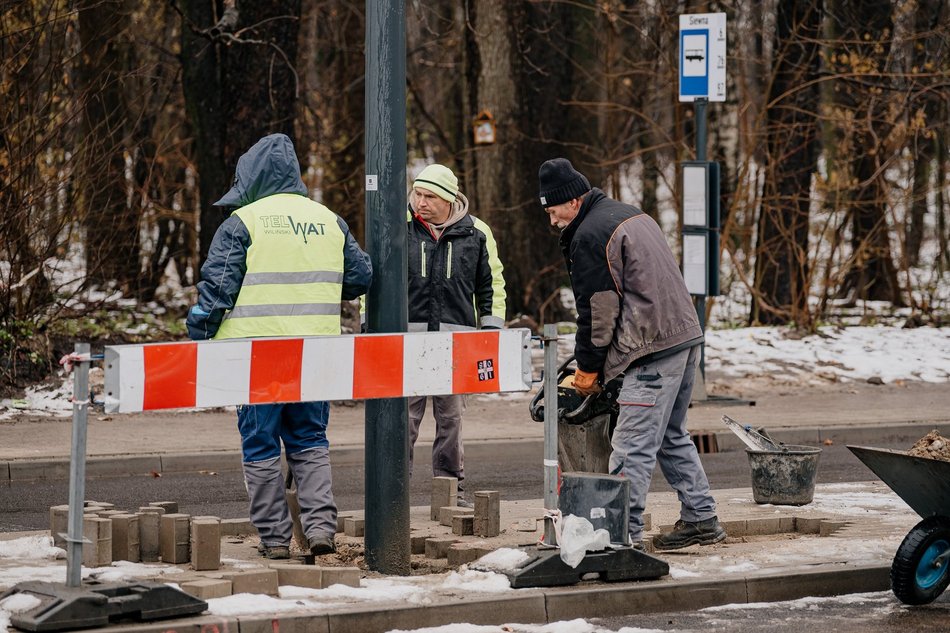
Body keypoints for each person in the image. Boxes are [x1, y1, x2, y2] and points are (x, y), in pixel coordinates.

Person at [187, 133, 372, 559]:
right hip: (316, 354)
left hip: (257, 357)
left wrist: (199, 335)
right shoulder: (329, 220)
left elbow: (216, 294)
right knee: (310, 439)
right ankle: (321, 529)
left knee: (261, 445)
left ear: (250, 179)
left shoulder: (242, 223)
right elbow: (361, 277)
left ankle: (274, 539)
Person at [537, 157, 725, 551]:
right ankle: (701, 516)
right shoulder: (629, 214)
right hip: (684, 337)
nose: (553, 223)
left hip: (650, 350)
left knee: (630, 445)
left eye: (554, 213)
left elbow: (599, 312)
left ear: (572, 202)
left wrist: (588, 368)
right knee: (671, 434)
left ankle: (623, 534)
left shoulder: (589, 234)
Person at [407, 164, 506, 503]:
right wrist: (368, 325)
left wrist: (491, 329)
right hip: (407, 343)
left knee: (450, 421)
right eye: (417, 194)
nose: (420, 202)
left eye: (430, 196)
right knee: (402, 421)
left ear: (449, 199)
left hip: (456, 344)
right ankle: (393, 491)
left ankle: (449, 490)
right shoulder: (399, 227)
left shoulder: (477, 232)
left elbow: (491, 283)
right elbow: (373, 285)